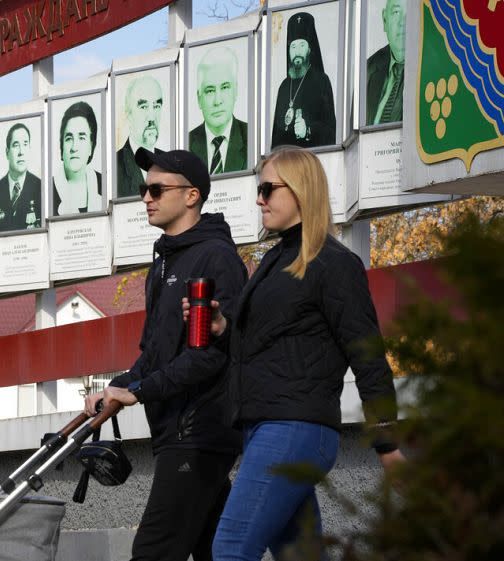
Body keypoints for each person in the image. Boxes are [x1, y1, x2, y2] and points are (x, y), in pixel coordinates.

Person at [197, 147, 404, 561]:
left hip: (294, 428)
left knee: (231, 548)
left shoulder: (333, 264)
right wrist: (221, 327)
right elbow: (264, 343)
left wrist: (386, 442)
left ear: (301, 190)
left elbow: (367, 355)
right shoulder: (276, 260)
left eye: (267, 188)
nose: (259, 199)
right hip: (266, 427)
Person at [85, 148, 248, 561]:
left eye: (157, 188)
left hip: (198, 432)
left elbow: (212, 354)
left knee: (153, 552)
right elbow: (155, 352)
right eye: (144, 188)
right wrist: (118, 388)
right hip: (175, 431)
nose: (146, 198)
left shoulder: (217, 258)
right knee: (216, 551)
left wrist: (138, 391)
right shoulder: (162, 264)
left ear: (191, 195)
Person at [270, 12, 336, 149]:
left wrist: (308, 130)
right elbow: (276, 135)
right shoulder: (284, 86)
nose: (297, 52)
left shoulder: (321, 81)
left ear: (309, 49)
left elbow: (330, 130)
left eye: (302, 45)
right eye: (293, 47)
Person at [189, 45, 248, 175]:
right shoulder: (185, 145)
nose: (217, 101)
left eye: (225, 87)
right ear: (199, 99)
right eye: (210, 91)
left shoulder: (252, 138)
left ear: (236, 91)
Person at [53, 101, 103, 216]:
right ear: (62, 146)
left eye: (81, 137)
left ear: (91, 145)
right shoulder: (46, 191)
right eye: (69, 138)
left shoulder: (105, 184)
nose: (74, 147)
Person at [117, 75, 163, 198]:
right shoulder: (115, 167)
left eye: (156, 106)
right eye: (144, 107)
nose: (152, 117)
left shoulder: (170, 164)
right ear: (128, 114)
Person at [0, 123, 42, 232]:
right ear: (7, 152)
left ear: (29, 148)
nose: (21, 152)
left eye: (25, 144)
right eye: (16, 145)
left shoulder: (40, 187)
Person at [366, 0, 406, 124]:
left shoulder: (433, 67)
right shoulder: (368, 68)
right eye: (396, 12)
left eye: (412, 13)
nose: (402, 23)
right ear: (384, 20)